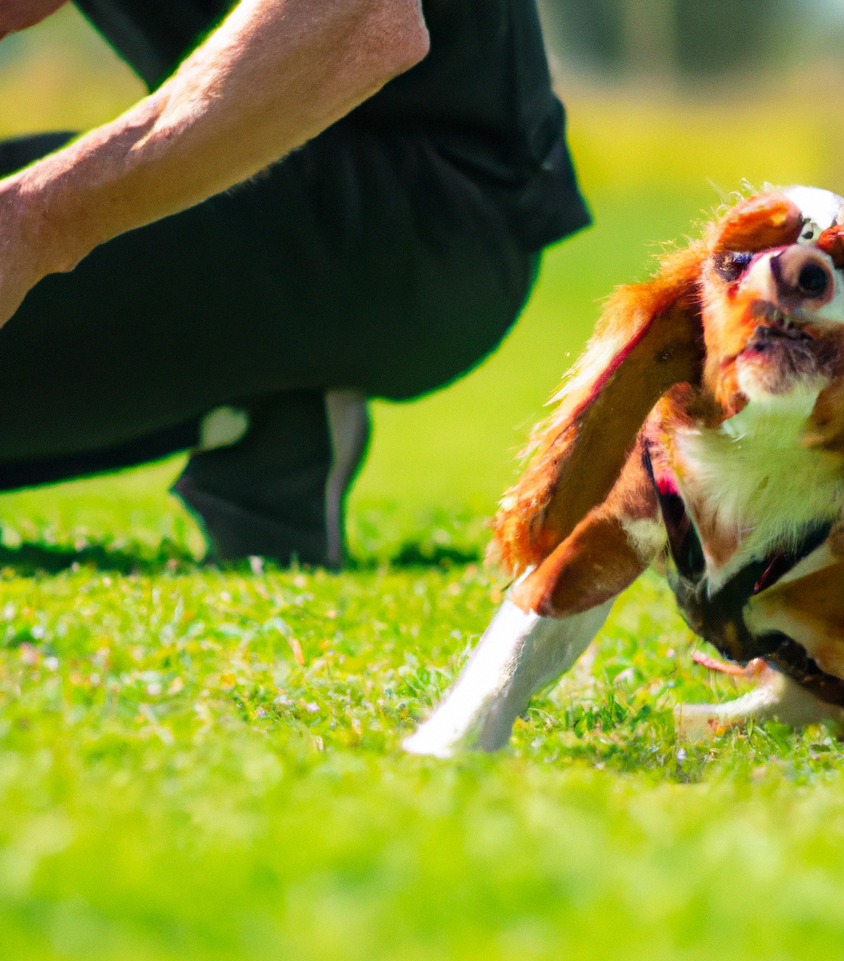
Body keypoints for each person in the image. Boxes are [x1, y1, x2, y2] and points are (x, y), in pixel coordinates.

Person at [0, 0, 590, 565]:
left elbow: (368, 18)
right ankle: (272, 427)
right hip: (257, 176)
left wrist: (33, 222)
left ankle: (272, 399)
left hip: (433, 210)